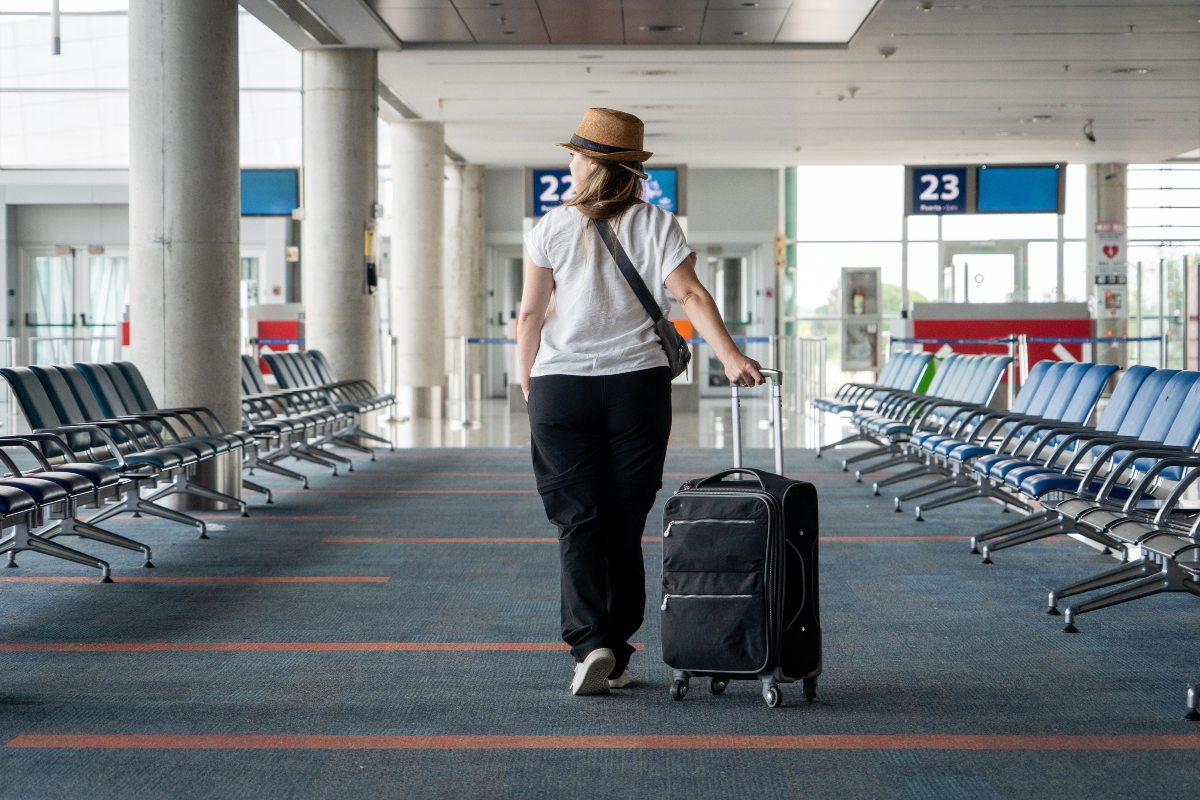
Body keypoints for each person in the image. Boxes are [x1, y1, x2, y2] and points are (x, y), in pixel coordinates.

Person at [517, 107, 765, 696]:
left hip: (561, 386)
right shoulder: (658, 224)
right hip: (637, 387)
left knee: (578, 521)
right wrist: (730, 357)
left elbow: (529, 313)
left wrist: (528, 381)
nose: (570, 163)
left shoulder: (551, 226)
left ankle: (590, 644)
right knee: (626, 523)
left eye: (575, 155)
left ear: (594, 164)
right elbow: (691, 295)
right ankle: (619, 646)